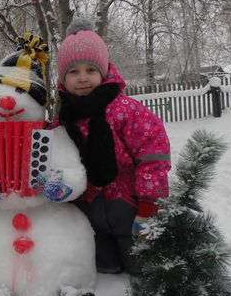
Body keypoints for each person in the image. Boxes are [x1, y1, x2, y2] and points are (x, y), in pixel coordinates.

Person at [56, 19, 171, 274]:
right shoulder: (64, 120)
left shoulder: (125, 111)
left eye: (90, 70)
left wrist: (149, 203)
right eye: (73, 72)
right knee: (104, 270)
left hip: (130, 209)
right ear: (63, 78)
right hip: (91, 214)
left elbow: (153, 155)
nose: (83, 78)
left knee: (142, 268)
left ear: (104, 71)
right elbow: (57, 161)